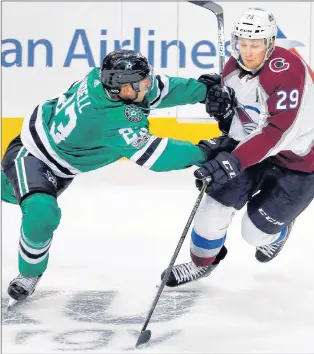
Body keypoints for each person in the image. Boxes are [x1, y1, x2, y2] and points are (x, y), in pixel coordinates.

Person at [2, 49, 237, 305]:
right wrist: (204, 152)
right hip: (33, 155)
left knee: (27, 202)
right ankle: (29, 274)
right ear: (123, 90)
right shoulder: (108, 117)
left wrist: (202, 91)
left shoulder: (106, 82)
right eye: (140, 82)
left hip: (62, 159)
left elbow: (160, 88)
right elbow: (155, 155)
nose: (148, 84)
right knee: (41, 212)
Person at [162, 8, 314, 287]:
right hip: (253, 153)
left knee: (254, 234)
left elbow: (277, 132)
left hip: (300, 163)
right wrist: (223, 112)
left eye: (255, 45)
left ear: (270, 43)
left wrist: (233, 159)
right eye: (242, 44)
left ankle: (278, 231)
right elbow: (243, 120)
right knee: (212, 208)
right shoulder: (233, 68)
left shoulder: (288, 70)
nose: (248, 52)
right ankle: (201, 264)